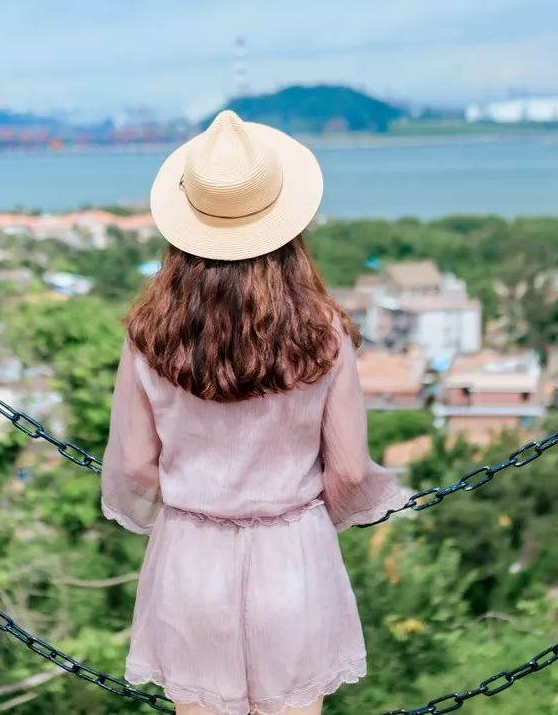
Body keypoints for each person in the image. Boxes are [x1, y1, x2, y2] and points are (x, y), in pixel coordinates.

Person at [100, 109, 406, 715]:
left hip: (191, 556)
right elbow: (347, 473)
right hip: (292, 552)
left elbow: (135, 464)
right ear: (285, 223)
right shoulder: (323, 333)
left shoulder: (149, 335)